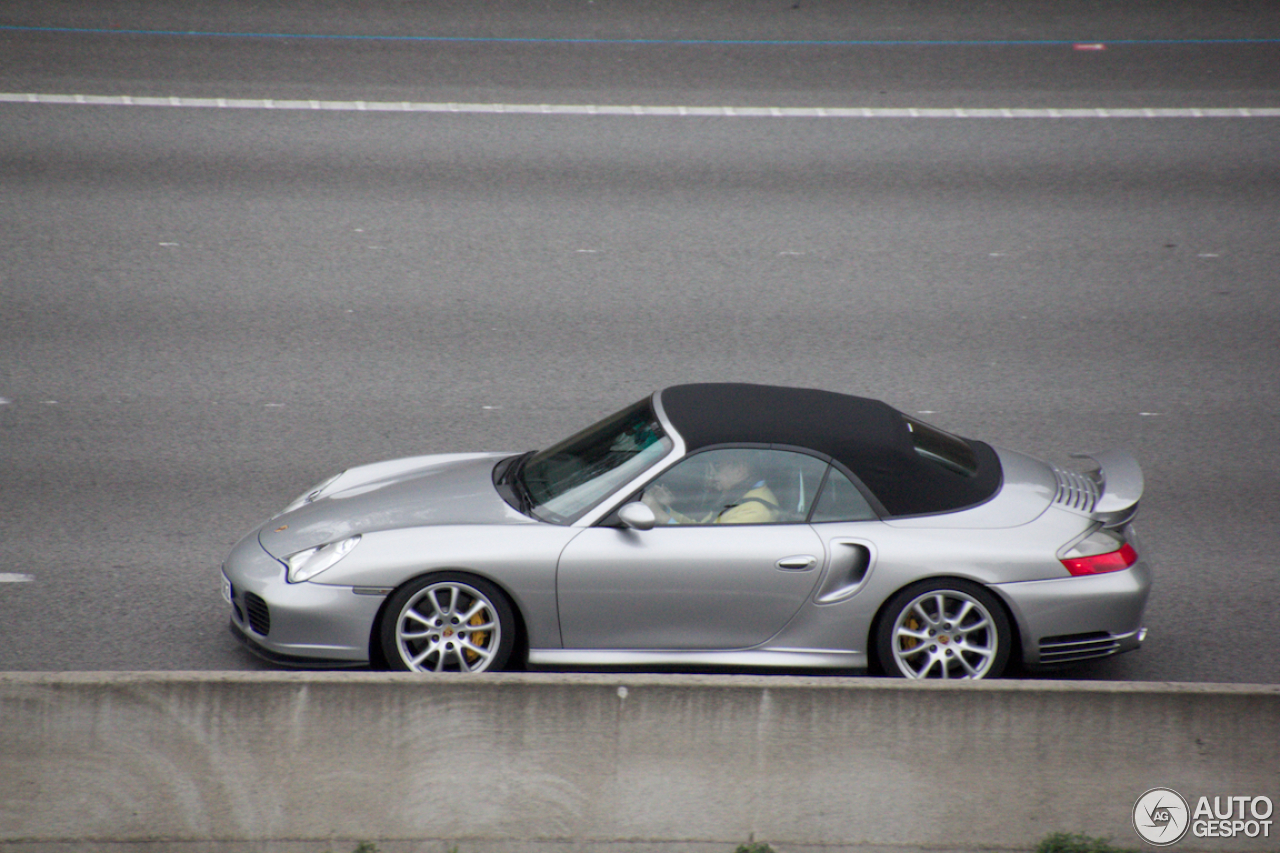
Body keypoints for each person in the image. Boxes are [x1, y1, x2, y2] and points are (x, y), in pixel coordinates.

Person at [643, 455, 780, 525]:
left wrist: (660, 516)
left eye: (717, 468)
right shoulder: (743, 497)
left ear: (739, 471)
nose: (711, 476)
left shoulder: (755, 511)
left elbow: (702, 546)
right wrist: (664, 508)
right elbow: (700, 530)